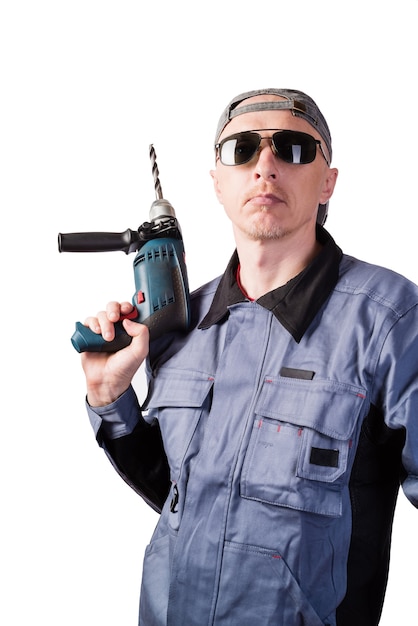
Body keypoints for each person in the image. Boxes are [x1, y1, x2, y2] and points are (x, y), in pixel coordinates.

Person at [80, 88, 418, 626]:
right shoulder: (180, 324)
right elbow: (180, 496)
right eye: (242, 149)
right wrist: (109, 397)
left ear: (327, 181)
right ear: (217, 181)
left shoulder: (389, 319)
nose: (265, 166)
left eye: (293, 148)